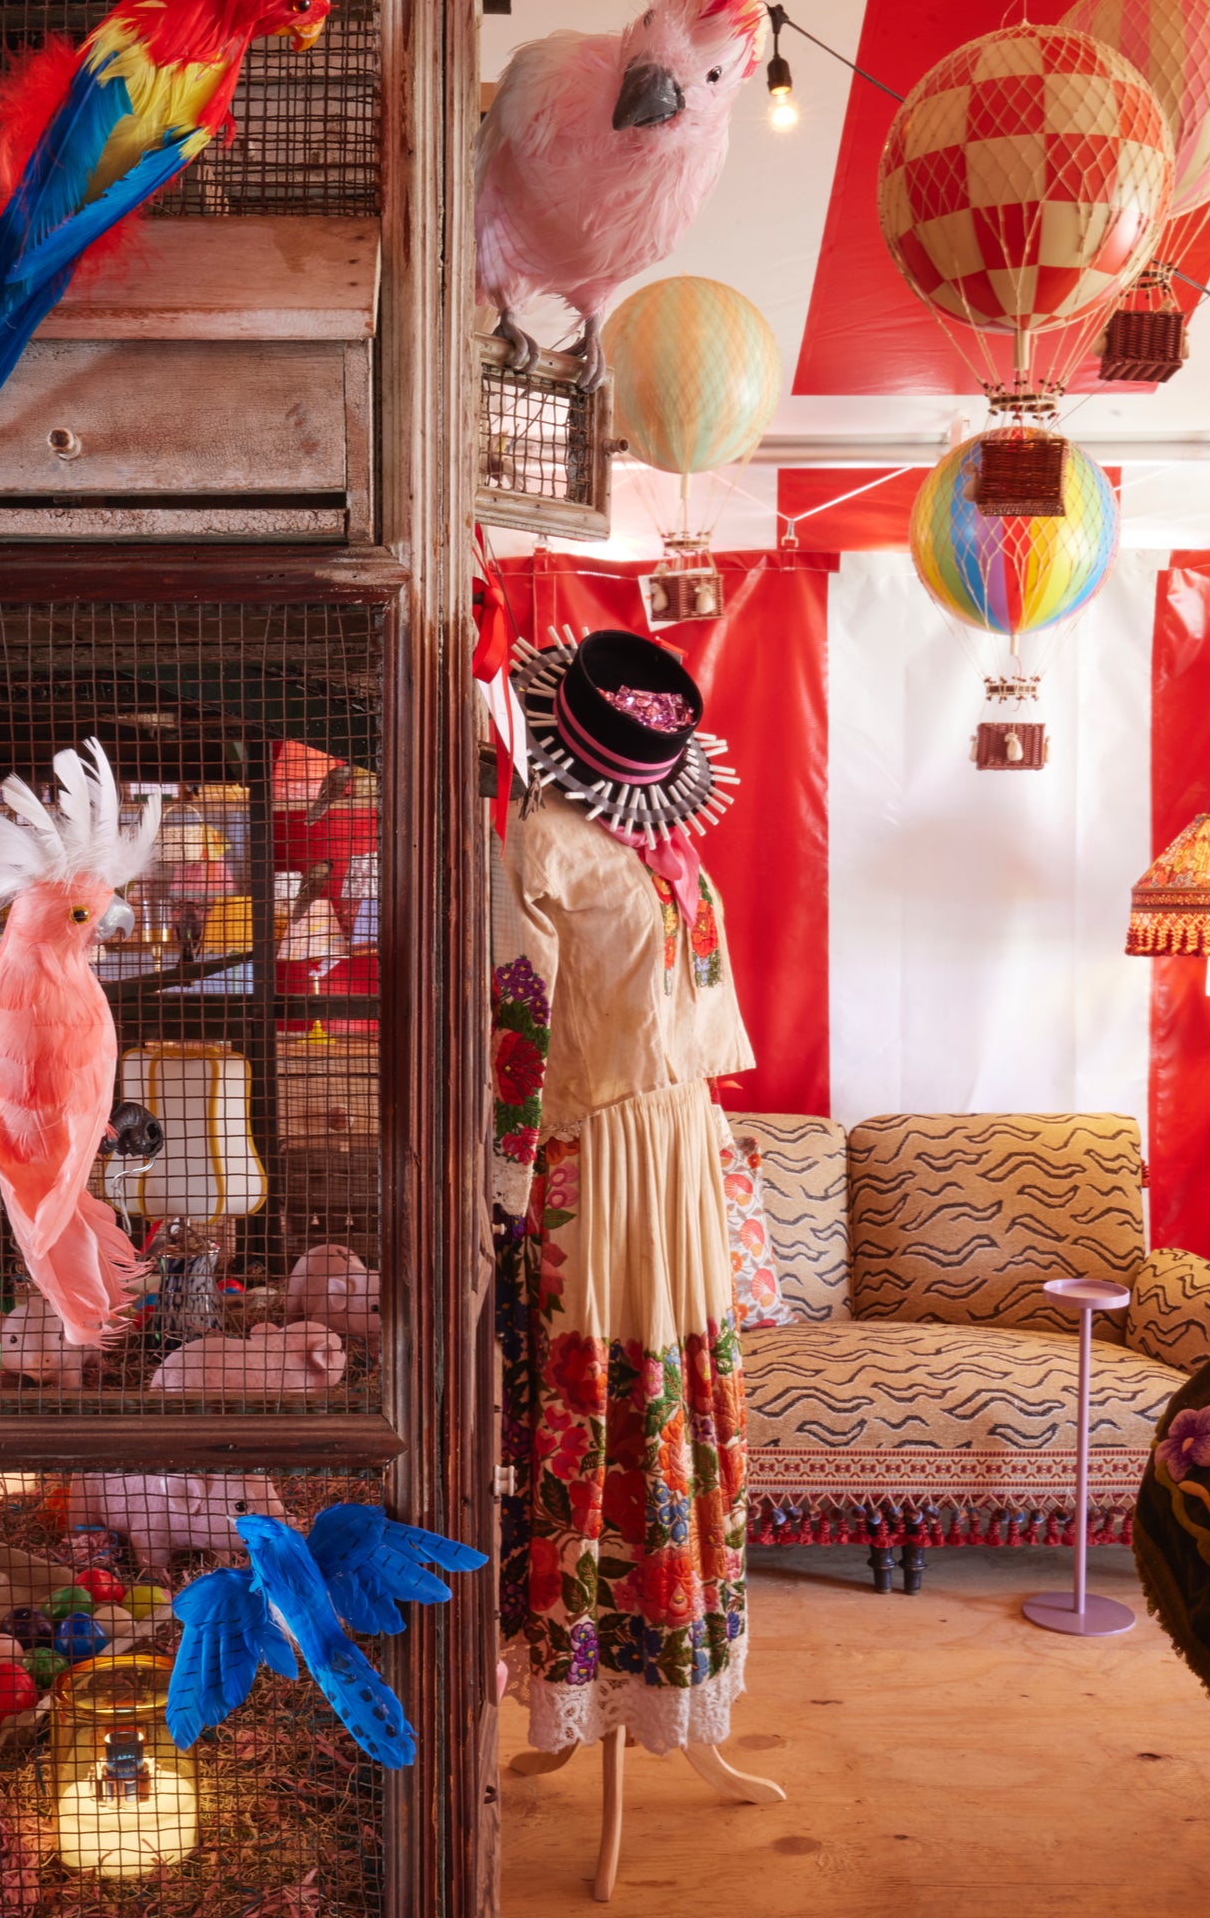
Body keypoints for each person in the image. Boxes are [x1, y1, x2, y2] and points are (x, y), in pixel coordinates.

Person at [492, 628, 754, 1754]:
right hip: (601, 1153)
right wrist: (503, 1169)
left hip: (678, 1141)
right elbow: (513, 1013)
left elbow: (691, 1018)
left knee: (679, 1389)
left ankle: (675, 1655)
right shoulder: (545, 842)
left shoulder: (668, 846)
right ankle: (584, 1670)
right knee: (597, 1395)